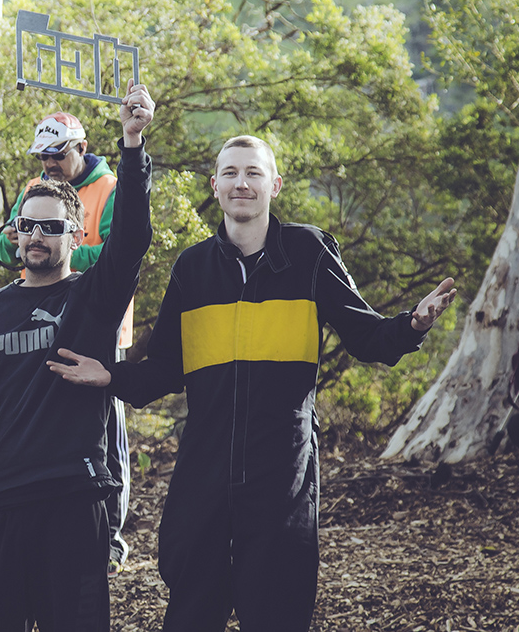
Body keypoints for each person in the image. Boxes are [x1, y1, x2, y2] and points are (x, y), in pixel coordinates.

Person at [46, 135, 458, 632]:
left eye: (253, 173)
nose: (241, 183)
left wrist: (413, 323)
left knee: (278, 613)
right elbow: (167, 369)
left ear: (275, 185)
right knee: (191, 612)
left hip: (281, 476)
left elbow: (367, 337)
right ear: (214, 186)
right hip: (204, 476)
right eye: (231, 173)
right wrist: (112, 374)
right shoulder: (192, 268)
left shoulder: (308, 253)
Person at [0, 82, 154, 631]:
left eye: (52, 227)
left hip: (73, 503)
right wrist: (3, 443)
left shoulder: (92, 298)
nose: (37, 236)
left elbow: (131, 238)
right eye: (27, 226)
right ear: (15, 233)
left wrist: (132, 145)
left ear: (75, 235)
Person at [0, 111, 135, 575]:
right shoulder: (34, 189)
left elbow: (118, 254)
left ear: (82, 148)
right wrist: (31, 243)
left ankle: (109, 536)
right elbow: (4, 247)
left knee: (106, 429)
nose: (49, 164)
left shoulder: (110, 188)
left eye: (57, 155)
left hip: (98, 326)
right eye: (43, 156)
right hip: (38, 324)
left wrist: (61, 247)